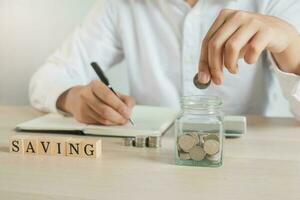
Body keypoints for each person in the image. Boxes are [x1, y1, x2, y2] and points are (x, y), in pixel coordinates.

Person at [30, 0, 300, 125]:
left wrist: (291, 44)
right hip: (148, 165)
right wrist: (73, 97)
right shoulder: (120, 6)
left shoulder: (273, 3)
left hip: (246, 167)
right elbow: (47, 77)